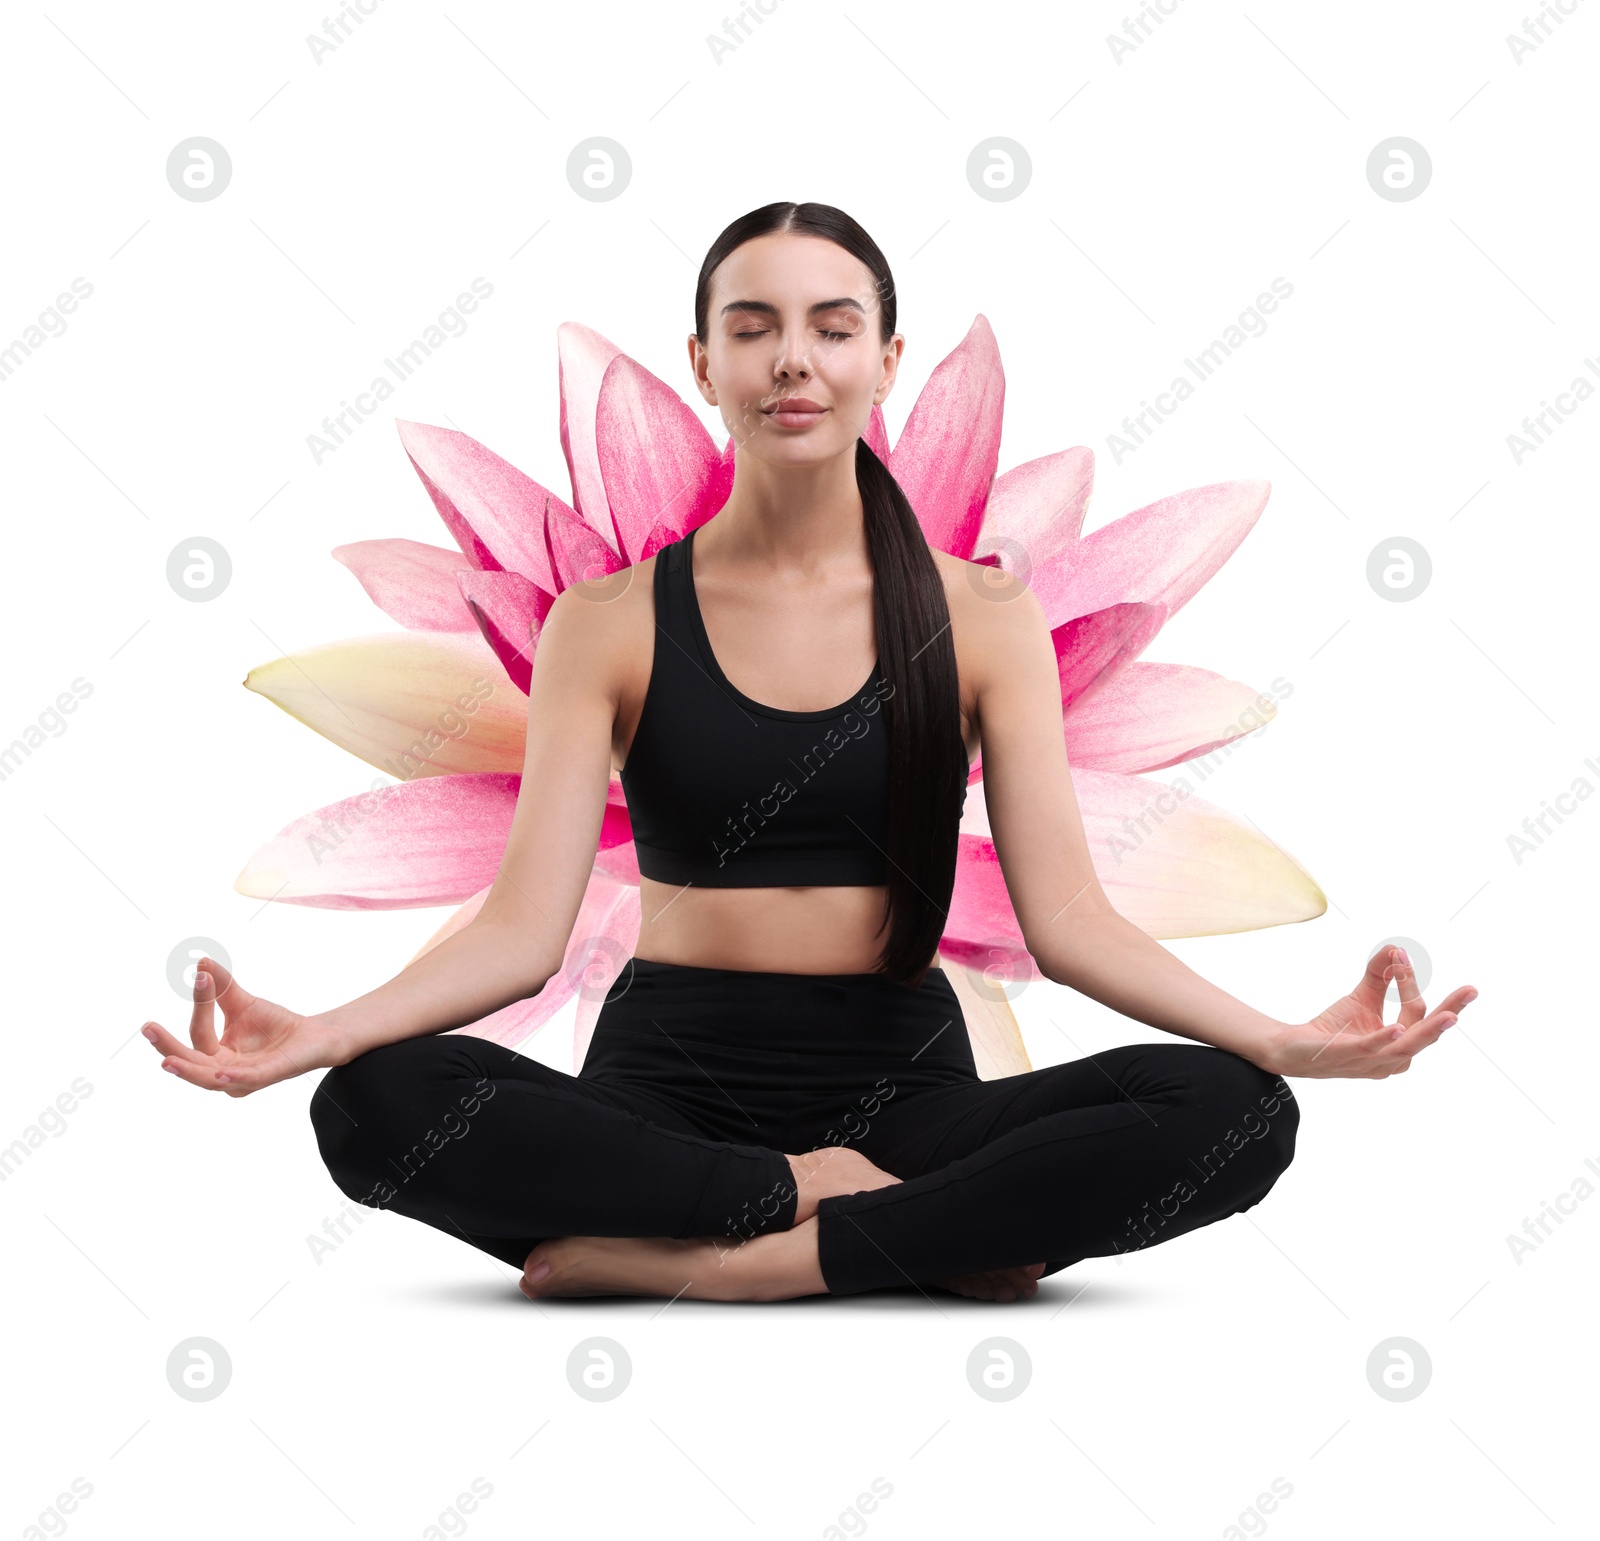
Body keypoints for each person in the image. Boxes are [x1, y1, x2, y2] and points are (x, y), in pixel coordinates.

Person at [138, 201, 1477, 1304]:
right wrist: (314, 1034)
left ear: (887, 363)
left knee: (1237, 1116)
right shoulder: (604, 624)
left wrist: (1285, 1038)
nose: (795, 359)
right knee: (371, 1107)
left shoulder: (985, 619)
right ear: (704, 362)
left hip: (905, 1078)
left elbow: (1067, 920)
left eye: (834, 327)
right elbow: (518, 934)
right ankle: (877, 1227)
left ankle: (736, 1262)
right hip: (667, 1073)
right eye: (754, 327)